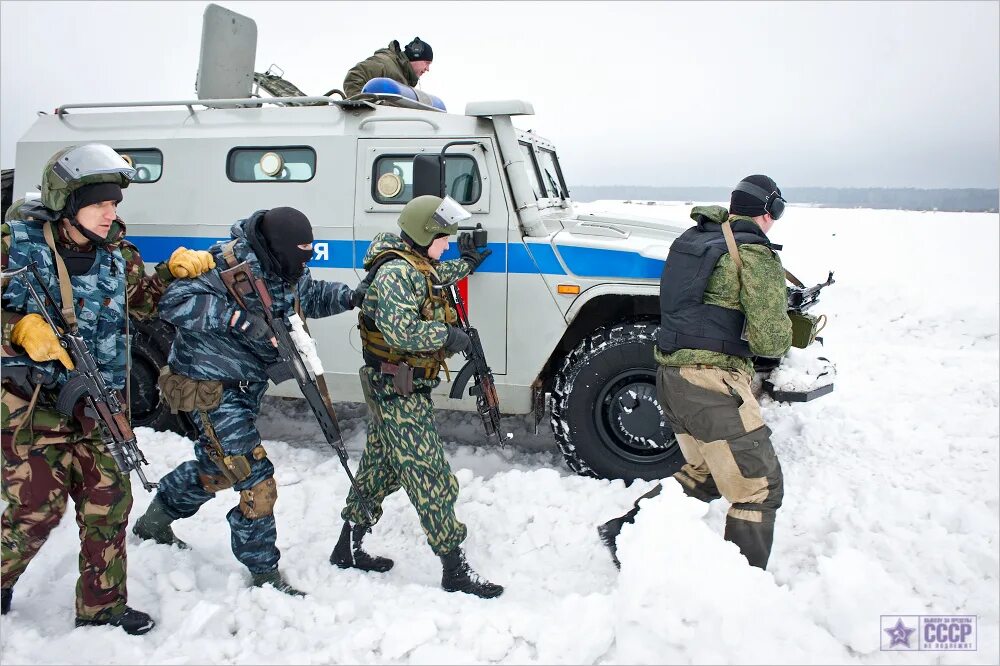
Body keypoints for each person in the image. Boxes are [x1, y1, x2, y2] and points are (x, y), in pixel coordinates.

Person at [1, 143, 216, 633]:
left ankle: (102, 608)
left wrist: (170, 274)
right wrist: (14, 327)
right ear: (69, 204)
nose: (110, 213)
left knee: (110, 501)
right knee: (35, 511)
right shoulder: (14, 244)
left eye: (115, 204)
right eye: (100, 204)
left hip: (98, 406)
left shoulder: (118, 254)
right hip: (31, 409)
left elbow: (139, 302)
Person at [131, 206, 366, 596]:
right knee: (256, 480)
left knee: (219, 469)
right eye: (301, 250)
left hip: (244, 388)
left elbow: (307, 295)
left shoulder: (283, 268)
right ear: (279, 246)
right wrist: (238, 320)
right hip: (209, 387)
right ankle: (264, 573)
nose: (305, 257)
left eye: (310, 250)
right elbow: (174, 302)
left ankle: (154, 521)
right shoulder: (227, 265)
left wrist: (351, 296)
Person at [598, 175, 792, 571]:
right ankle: (741, 590)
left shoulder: (696, 239)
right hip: (712, 384)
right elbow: (772, 340)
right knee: (758, 489)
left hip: (672, 379)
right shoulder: (754, 254)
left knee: (703, 474)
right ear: (769, 211)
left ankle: (625, 532)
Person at [331, 195, 502, 598]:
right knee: (430, 475)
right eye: (443, 239)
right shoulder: (394, 273)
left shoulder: (415, 265)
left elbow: (434, 277)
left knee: (380, 469)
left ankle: (347, 549)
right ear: (424, 235)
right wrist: (449, 336)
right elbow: (402, 332)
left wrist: (468, 264)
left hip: (401, 385)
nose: (446, 246)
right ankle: (454, 569)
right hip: (396, 389)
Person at [343, 37, 433, 98]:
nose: (427, 69)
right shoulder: (385, 63)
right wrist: (364, 105)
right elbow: (354, 77)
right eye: (427, 63)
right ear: (416, 56)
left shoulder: (403, 75)